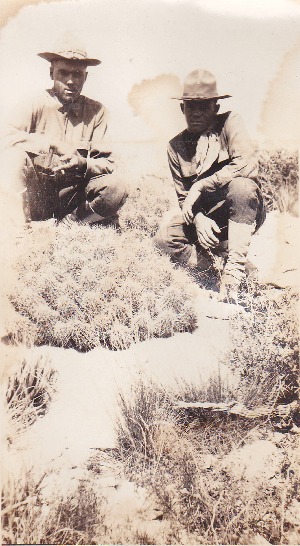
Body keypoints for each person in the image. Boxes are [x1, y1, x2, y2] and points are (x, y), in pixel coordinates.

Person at [155, 69, 266, 299]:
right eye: (191, 106)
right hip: (208, 219)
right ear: (182, 108)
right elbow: (184, 198)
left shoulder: (230, 123)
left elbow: (247, 166)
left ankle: (234, 270)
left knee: (242, 186)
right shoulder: (176, 146)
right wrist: (198, 219)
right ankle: (214, 266)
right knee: (164, 240)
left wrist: (201, 185)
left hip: (242, 210)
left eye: (204, 106)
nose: (196, 113)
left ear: (215, 107)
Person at [0, 34, 127, 227]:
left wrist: (82, 163)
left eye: (77, 74)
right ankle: (21, 227)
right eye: (63, 73)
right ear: (51, 73)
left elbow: (108, 164)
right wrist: (51, 143)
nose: (70, 81)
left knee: (116, 187)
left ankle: (70, 224)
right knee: (10, 159)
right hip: (37, 195)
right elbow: (5, 138)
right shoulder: (33, 103)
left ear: (86, 77)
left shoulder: (97, 112)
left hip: (72, 198)